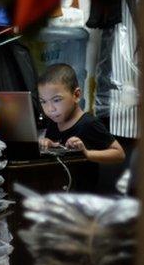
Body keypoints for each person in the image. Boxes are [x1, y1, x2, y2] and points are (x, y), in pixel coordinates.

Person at [38, 63, 125, 192]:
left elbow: (119, 154)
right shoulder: (53, 123)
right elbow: (59, 151)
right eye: (43, 101)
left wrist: (87, 154)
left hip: (83, 197)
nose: (50, 109)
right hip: (61, 193)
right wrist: (49, 144)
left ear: (76, 95)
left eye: (56, 100)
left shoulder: (89, 123)